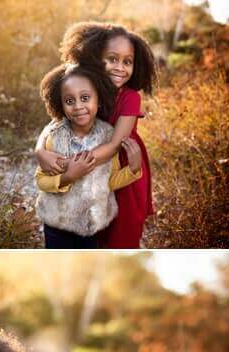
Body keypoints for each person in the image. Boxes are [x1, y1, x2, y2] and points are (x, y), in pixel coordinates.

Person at [37, 22, 157, 248]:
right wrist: (40, 151)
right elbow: (56, 124)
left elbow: (114, 144)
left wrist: (72, 164)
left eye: (127, 62)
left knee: (121, 231)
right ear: (94, 57)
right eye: (112, 59)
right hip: (87, 164)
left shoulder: (130, 97)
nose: (120, 67)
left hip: (118, 163)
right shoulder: (86, 86)